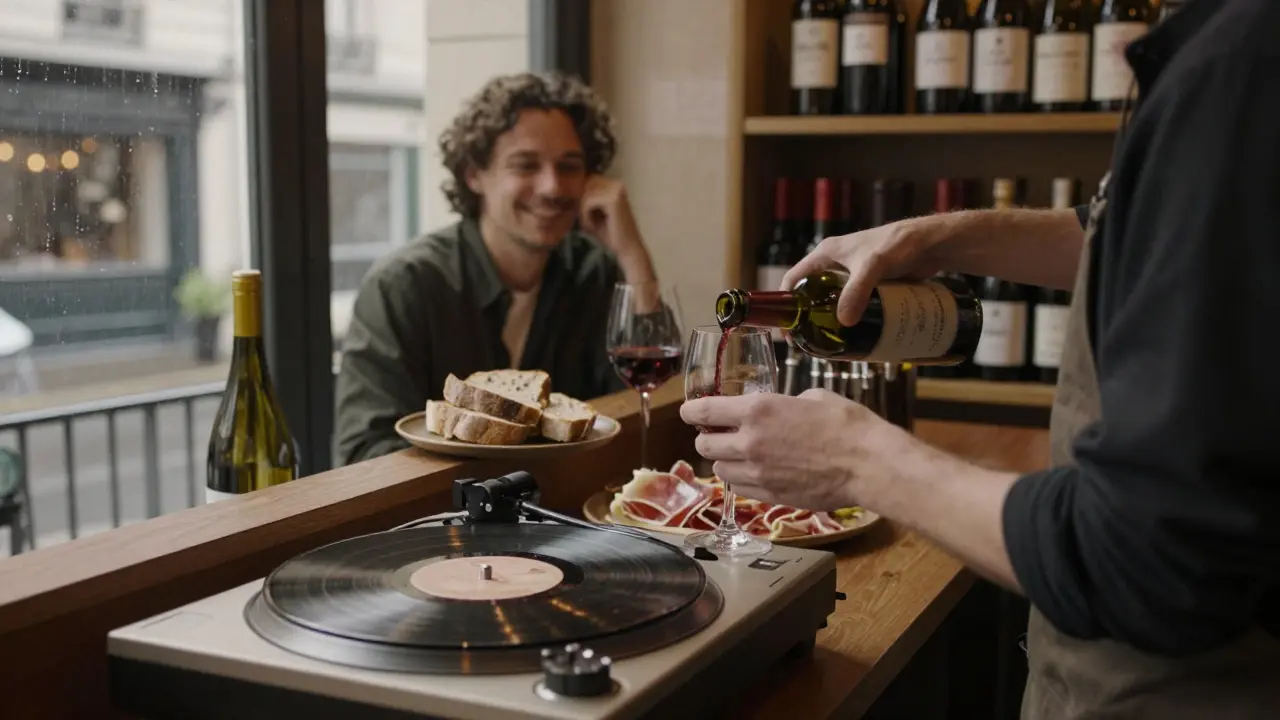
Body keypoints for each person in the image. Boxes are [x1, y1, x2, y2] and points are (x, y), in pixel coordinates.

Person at [681, 0, 1280, 717]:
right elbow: (1121, 236)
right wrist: (934, 237)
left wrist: (857, 462)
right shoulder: (1225, 53)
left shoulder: (1243, 63)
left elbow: (1147, 554)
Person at [334, 72, 658, 465]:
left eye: (570, 166)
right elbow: (362, 455)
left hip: (568, 517)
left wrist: (632, 253)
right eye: (525, 166)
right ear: (474, 175)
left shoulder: (593, 272)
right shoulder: (402, 287)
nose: (553, 187)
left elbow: (651, 407)